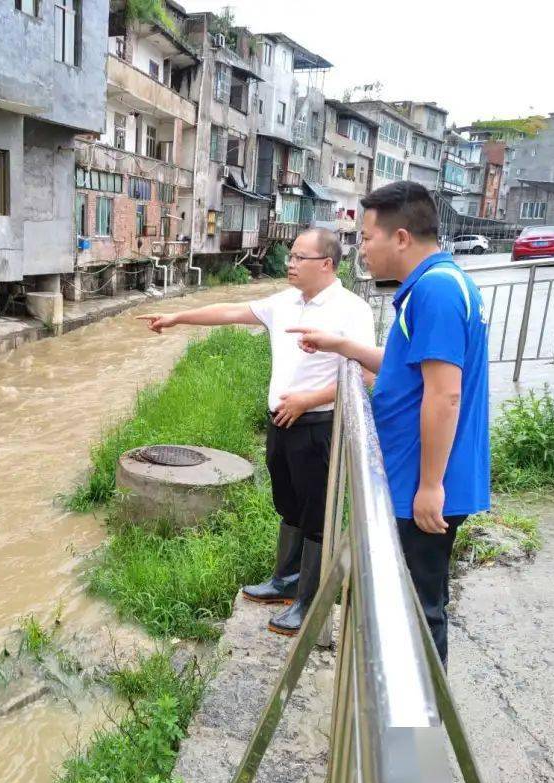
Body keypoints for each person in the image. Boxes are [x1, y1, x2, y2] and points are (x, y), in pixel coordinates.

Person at [136, 228, 375, 636]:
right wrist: (177, 318)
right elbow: (231, 311)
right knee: (288, 502)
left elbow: (367, 375)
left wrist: (309, 399)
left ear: (328, 265)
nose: (290, 263)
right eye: (292, 256)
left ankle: (310, 600)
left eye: (301, 257)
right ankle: (285, 580)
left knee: (317, 513)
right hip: (280, 421)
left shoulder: (352, 310)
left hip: (318, 424)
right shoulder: (285, 302)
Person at [289, 181, 490, 667]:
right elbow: (406, 367)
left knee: (418, 608)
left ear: (401, 237)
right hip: (411, 472)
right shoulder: (433, 284)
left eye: (368, 238)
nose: (362, 250)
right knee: (411, 599)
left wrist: (429, 486)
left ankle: (414, 735)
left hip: (421, 480)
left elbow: (445, 394)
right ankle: (404, 724)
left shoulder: (437, 291)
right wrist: (342, 346)